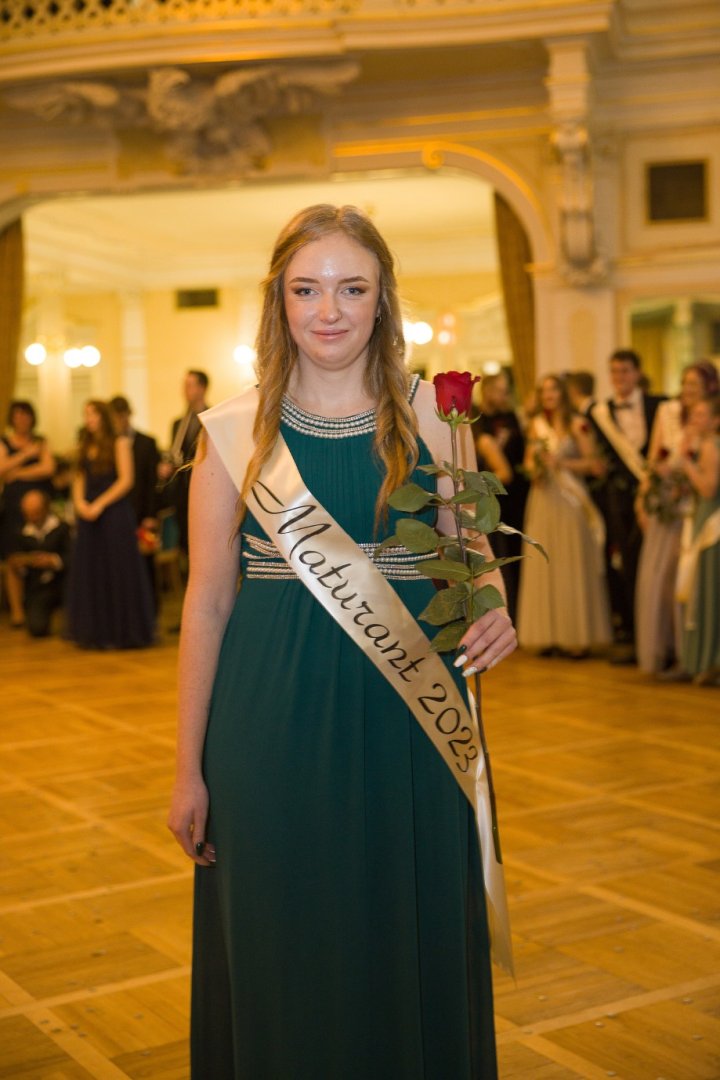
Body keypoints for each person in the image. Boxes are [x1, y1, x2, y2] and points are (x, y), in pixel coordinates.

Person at [167, 204, 518, 1079]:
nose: (330, 311)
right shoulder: (232, 431)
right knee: (288, 927)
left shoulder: (435, 416)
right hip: (270, 717)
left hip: (411, 713)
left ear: (382, 299)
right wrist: (186, 768)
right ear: (278, 301)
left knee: (407, 916)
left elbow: (471, 554)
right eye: (307, 289)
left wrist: (494, 601)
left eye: (352, 289)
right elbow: (206, 603)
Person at [517, 374, 611, 657]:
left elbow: (595, 464)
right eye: (544, 391)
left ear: (563, 394)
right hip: (544, 498)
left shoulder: (577, 424)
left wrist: (562, 463)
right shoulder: (536, 425)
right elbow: (528, 461)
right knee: (545, 563)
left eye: (554, 390)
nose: (549, 396)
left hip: (571, 500)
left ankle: (576, 637)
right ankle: (548, 636)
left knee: (571, 562)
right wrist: (535, 468)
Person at [634, 361, 718, 675]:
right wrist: (643, 498)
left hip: (695, 511)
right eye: (684, 384)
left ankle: (690, 655)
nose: (687, 390)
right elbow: (654, 459)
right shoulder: (668, 412)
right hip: (667, 507)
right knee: (662, 582)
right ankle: (667, 649)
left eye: (694, 385)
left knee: (686, 582)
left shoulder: (710, 427)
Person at [589, 349, 665, 661]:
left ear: (637, 373)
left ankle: (664, 638)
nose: (619, 377)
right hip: (619, 501)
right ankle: (637, 638)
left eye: (625, 371)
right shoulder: (600, 413)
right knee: (629, 566)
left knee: (660, 564)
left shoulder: (660, 405)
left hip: (658, 497)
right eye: (614, 371)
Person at [66, 400, 155, 649]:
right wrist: (80, 504)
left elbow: (126, 481)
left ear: (103, 416)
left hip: (114, 514)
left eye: (93, 414)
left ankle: (120, 632)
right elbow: (78, 478)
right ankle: (95, 632)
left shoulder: (120, 443)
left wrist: (99, 504)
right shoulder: (85, 445)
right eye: (86, 414)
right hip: (90, 517)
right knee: (92, 572)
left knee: (117, 571)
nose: (89, 419)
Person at [474, 371, 528, 622]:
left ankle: (509, 615)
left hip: (512, 496)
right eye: (499, 390)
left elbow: (506, 471)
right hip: (490, 502)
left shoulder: (512, 418)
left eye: (506, 391)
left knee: (507, 557)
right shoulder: (478, 423)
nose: (504, 396)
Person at [676, 395, 720, 685]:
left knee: (709, 590)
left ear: (716, 421)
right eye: (693, 413)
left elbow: (708, 489)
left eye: (702, 414)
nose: (695, 418)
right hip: (705, 519)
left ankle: (710, 660)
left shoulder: (710, 446)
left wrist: (685, 464)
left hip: (712, 525)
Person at [158, 370, 210, 561]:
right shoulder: (178, 424)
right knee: (185, 543)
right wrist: (166, 467)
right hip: (182, 494)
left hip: (205, 490)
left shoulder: (212, 418)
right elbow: (175, 455)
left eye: (189, 385)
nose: (185, 390)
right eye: (184, 385)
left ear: (202, 388)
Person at [4, 488, 70, 636]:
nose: (32, 517)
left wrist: (53, 561)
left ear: (46, 509)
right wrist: (25, 562)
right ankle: (18, 615)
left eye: (36, 513)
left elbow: (73, 557)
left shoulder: (62, 528)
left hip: (63, 584)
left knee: (70, 629)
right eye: (27, 514)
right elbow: (13, 558)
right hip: (39, 589)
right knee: (37, 629)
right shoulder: (20, 532)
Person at [0, 400, 54, 562]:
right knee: (14, 549)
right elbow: (2, 468)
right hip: (13, 505)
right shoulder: (4, 442)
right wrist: (26, 454)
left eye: (25, 415)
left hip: (39, 499)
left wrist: (17, 473)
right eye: (17, 416)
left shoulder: (40, 441)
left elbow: (48, 468)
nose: (21, 420)